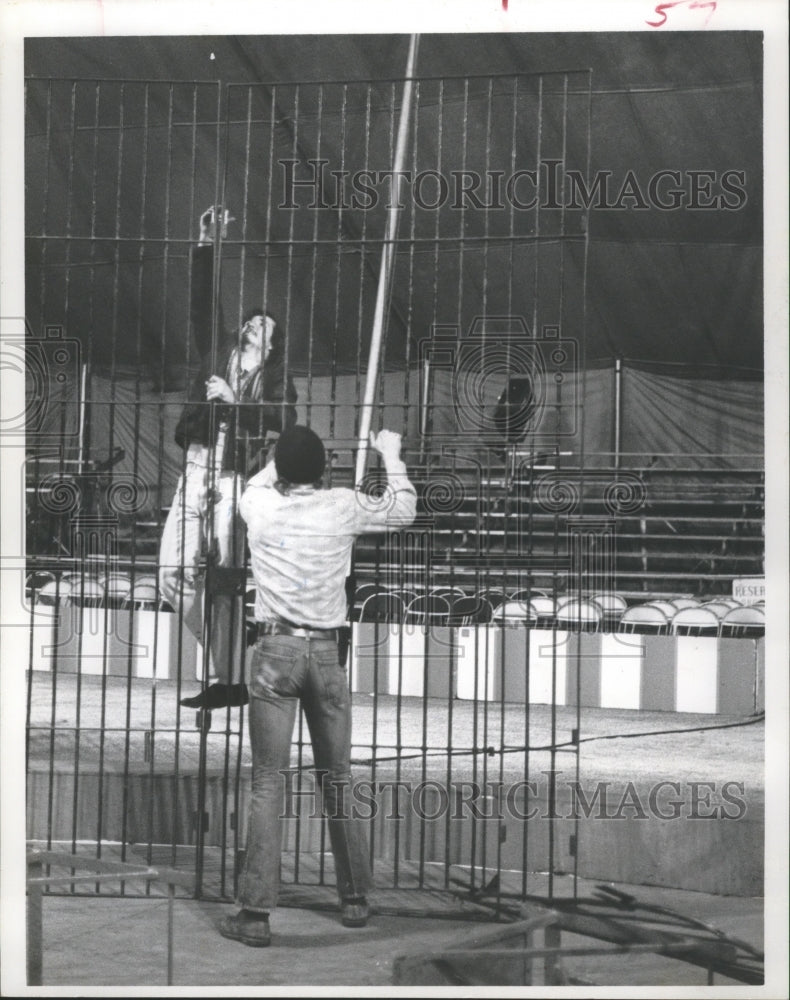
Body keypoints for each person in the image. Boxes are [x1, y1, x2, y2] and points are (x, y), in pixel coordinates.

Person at [219, 424, 416, 946]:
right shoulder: (343, 504)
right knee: (338, 776)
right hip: (327, 650)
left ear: (279, 470)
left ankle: (256, 913)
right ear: (324, 469)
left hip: (275, 650)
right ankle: (354, 898)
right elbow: (403, 511)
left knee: (268, 780)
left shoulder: (259, 504)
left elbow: (264, 480)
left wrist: (275, 456)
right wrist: (389, 454)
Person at [159, 207, 297, 711]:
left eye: (262, 325)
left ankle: (229, 677)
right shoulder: (215, 355)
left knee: (223, 581)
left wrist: (236, 406)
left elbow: (283, 420)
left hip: (237, 478)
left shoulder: (274, 382)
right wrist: (205, 243)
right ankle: (239, 664)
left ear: (272, 344)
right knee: (171, 573)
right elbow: (202, 307)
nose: (251, 325)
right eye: (250, 320)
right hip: (196, 467)